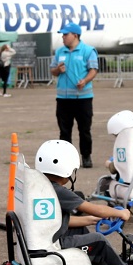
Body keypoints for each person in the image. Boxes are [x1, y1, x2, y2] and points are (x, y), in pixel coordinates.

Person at [35, 140, 133, 265]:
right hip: (52, 246)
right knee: (98, 240)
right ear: (66, 171)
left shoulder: (39, 186)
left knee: (81, 230)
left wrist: (90, 220)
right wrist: (121, 213)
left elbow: (55, 223)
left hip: (42, 238)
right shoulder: (58, 191)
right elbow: (96, 208)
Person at [49, 22, 99, 168]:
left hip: (83, 98)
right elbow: (53, 71)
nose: (63, 37)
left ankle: (86, 156)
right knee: (64, 131)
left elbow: (93, 70)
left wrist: (85, 80)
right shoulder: (60, 52)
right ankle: (65, 158)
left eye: (65, 34)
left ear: (75, 35)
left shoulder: (88, 50)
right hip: (63, 99)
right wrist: (57, 69)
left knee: (84, 129)